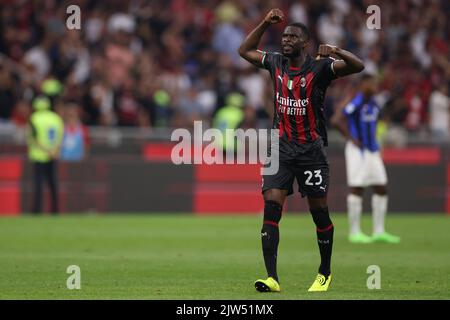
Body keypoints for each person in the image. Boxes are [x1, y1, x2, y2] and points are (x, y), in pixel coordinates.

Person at [238, 8, 364, 292]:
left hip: (311, 150)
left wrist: (336, 50)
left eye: (293, 37)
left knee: (318, 212)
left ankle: (324, 272)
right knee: (271, 207)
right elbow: (244, 50)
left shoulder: (320, 68)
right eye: (284, 36)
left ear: (305, 43)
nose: (286, 40)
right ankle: (272, 278)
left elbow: (358, 66)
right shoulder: (275, 63)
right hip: (280, 148)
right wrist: (263, 23)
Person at [331, 74, 401, 244]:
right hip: (358, 151)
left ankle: (379, 231)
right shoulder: (357, 101)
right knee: (357, 188)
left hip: (372, 150)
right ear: (363, 85)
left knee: (381, 187)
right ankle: (354, 232)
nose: (374, 85)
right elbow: (336, 120)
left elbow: (378, 122)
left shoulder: (373, 102)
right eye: (371, 82)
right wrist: (352, 138)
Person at [27, 96, 64, 214]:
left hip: (39, 156)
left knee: (39, 185)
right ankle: (55, 210)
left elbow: (33, 138)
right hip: (53, 155)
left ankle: (37, 210)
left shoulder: (34, 118)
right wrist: (54, 151)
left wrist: (45, 150)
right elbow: (60, 136)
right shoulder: (56, 118)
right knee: (53, 184)